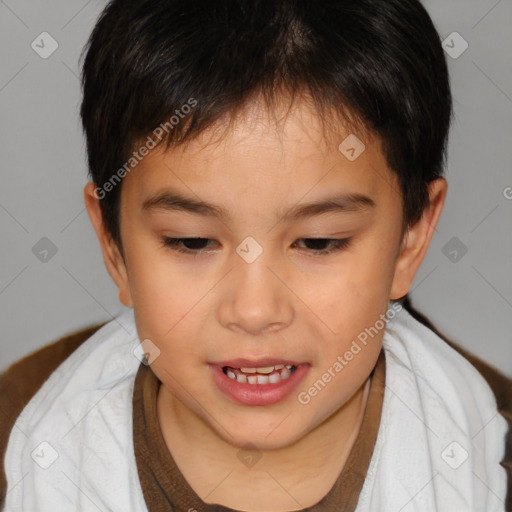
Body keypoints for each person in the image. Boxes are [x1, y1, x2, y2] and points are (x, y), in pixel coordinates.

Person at [1, 0, 510, 510]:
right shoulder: (22, 438)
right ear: (113, 246)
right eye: (192, 242)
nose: (254, 310)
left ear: (411, 237)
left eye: (318, 242)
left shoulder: (488, 456)